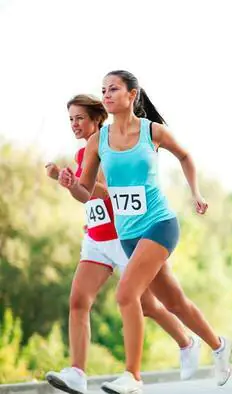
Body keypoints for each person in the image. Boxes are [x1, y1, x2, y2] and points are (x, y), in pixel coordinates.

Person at [58, 71, 232, 393]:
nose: (107, 95)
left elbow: (185, 156)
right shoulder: (99, 141)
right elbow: (87, 192)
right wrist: (71, 186)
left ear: (132, 94)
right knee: (175, 302)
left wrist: (196, 193)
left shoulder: (153, 131)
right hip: (128, 234)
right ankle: (220, 345)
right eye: (103, 90)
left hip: (159, 224)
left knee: (127, 294)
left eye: (114, 89)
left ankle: (133, 376)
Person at [44, 94, 199, 394]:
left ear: (96, 119)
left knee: (149, 305)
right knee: (78, 301)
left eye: (79, 118)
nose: (74, 125)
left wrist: (74, 182)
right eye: (70, 120)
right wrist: (65, 181)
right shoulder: (83, 154)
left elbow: (106, 191)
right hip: (96, 240)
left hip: (125, 237)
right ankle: (77, 372)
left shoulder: (107, 147)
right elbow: (86, 195)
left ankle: (186, 342)